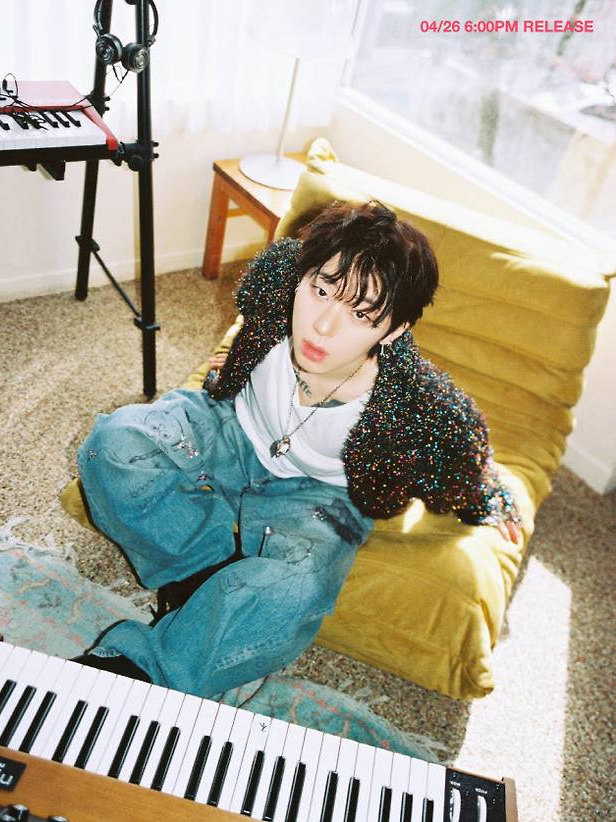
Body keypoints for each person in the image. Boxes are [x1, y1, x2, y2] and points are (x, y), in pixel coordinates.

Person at [74, 200, 521, 697]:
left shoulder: (410, 403)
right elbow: (253, 327)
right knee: (112, 447)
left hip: (320, 492)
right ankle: (198, 575)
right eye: (321, 290)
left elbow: (462, 449)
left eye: (360, 314)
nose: (322, 327)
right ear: (300, 274)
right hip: (234, 425)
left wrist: (489, 498)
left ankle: (146, 672)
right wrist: (232, 363)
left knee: (297, 589)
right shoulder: (276, 279)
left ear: (394, 330)